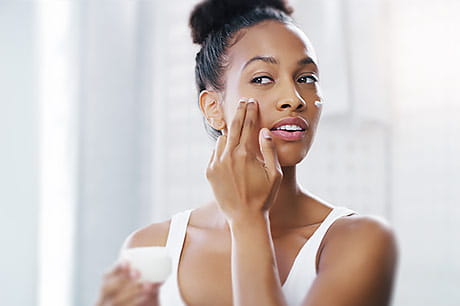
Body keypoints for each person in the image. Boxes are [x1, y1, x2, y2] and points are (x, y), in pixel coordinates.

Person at [95, 0, 398, 305]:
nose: (293, 99)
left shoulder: (359, 242)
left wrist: (249, 220)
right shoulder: (152, 247)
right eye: (263, 78)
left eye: (306, 78)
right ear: (213, 108)